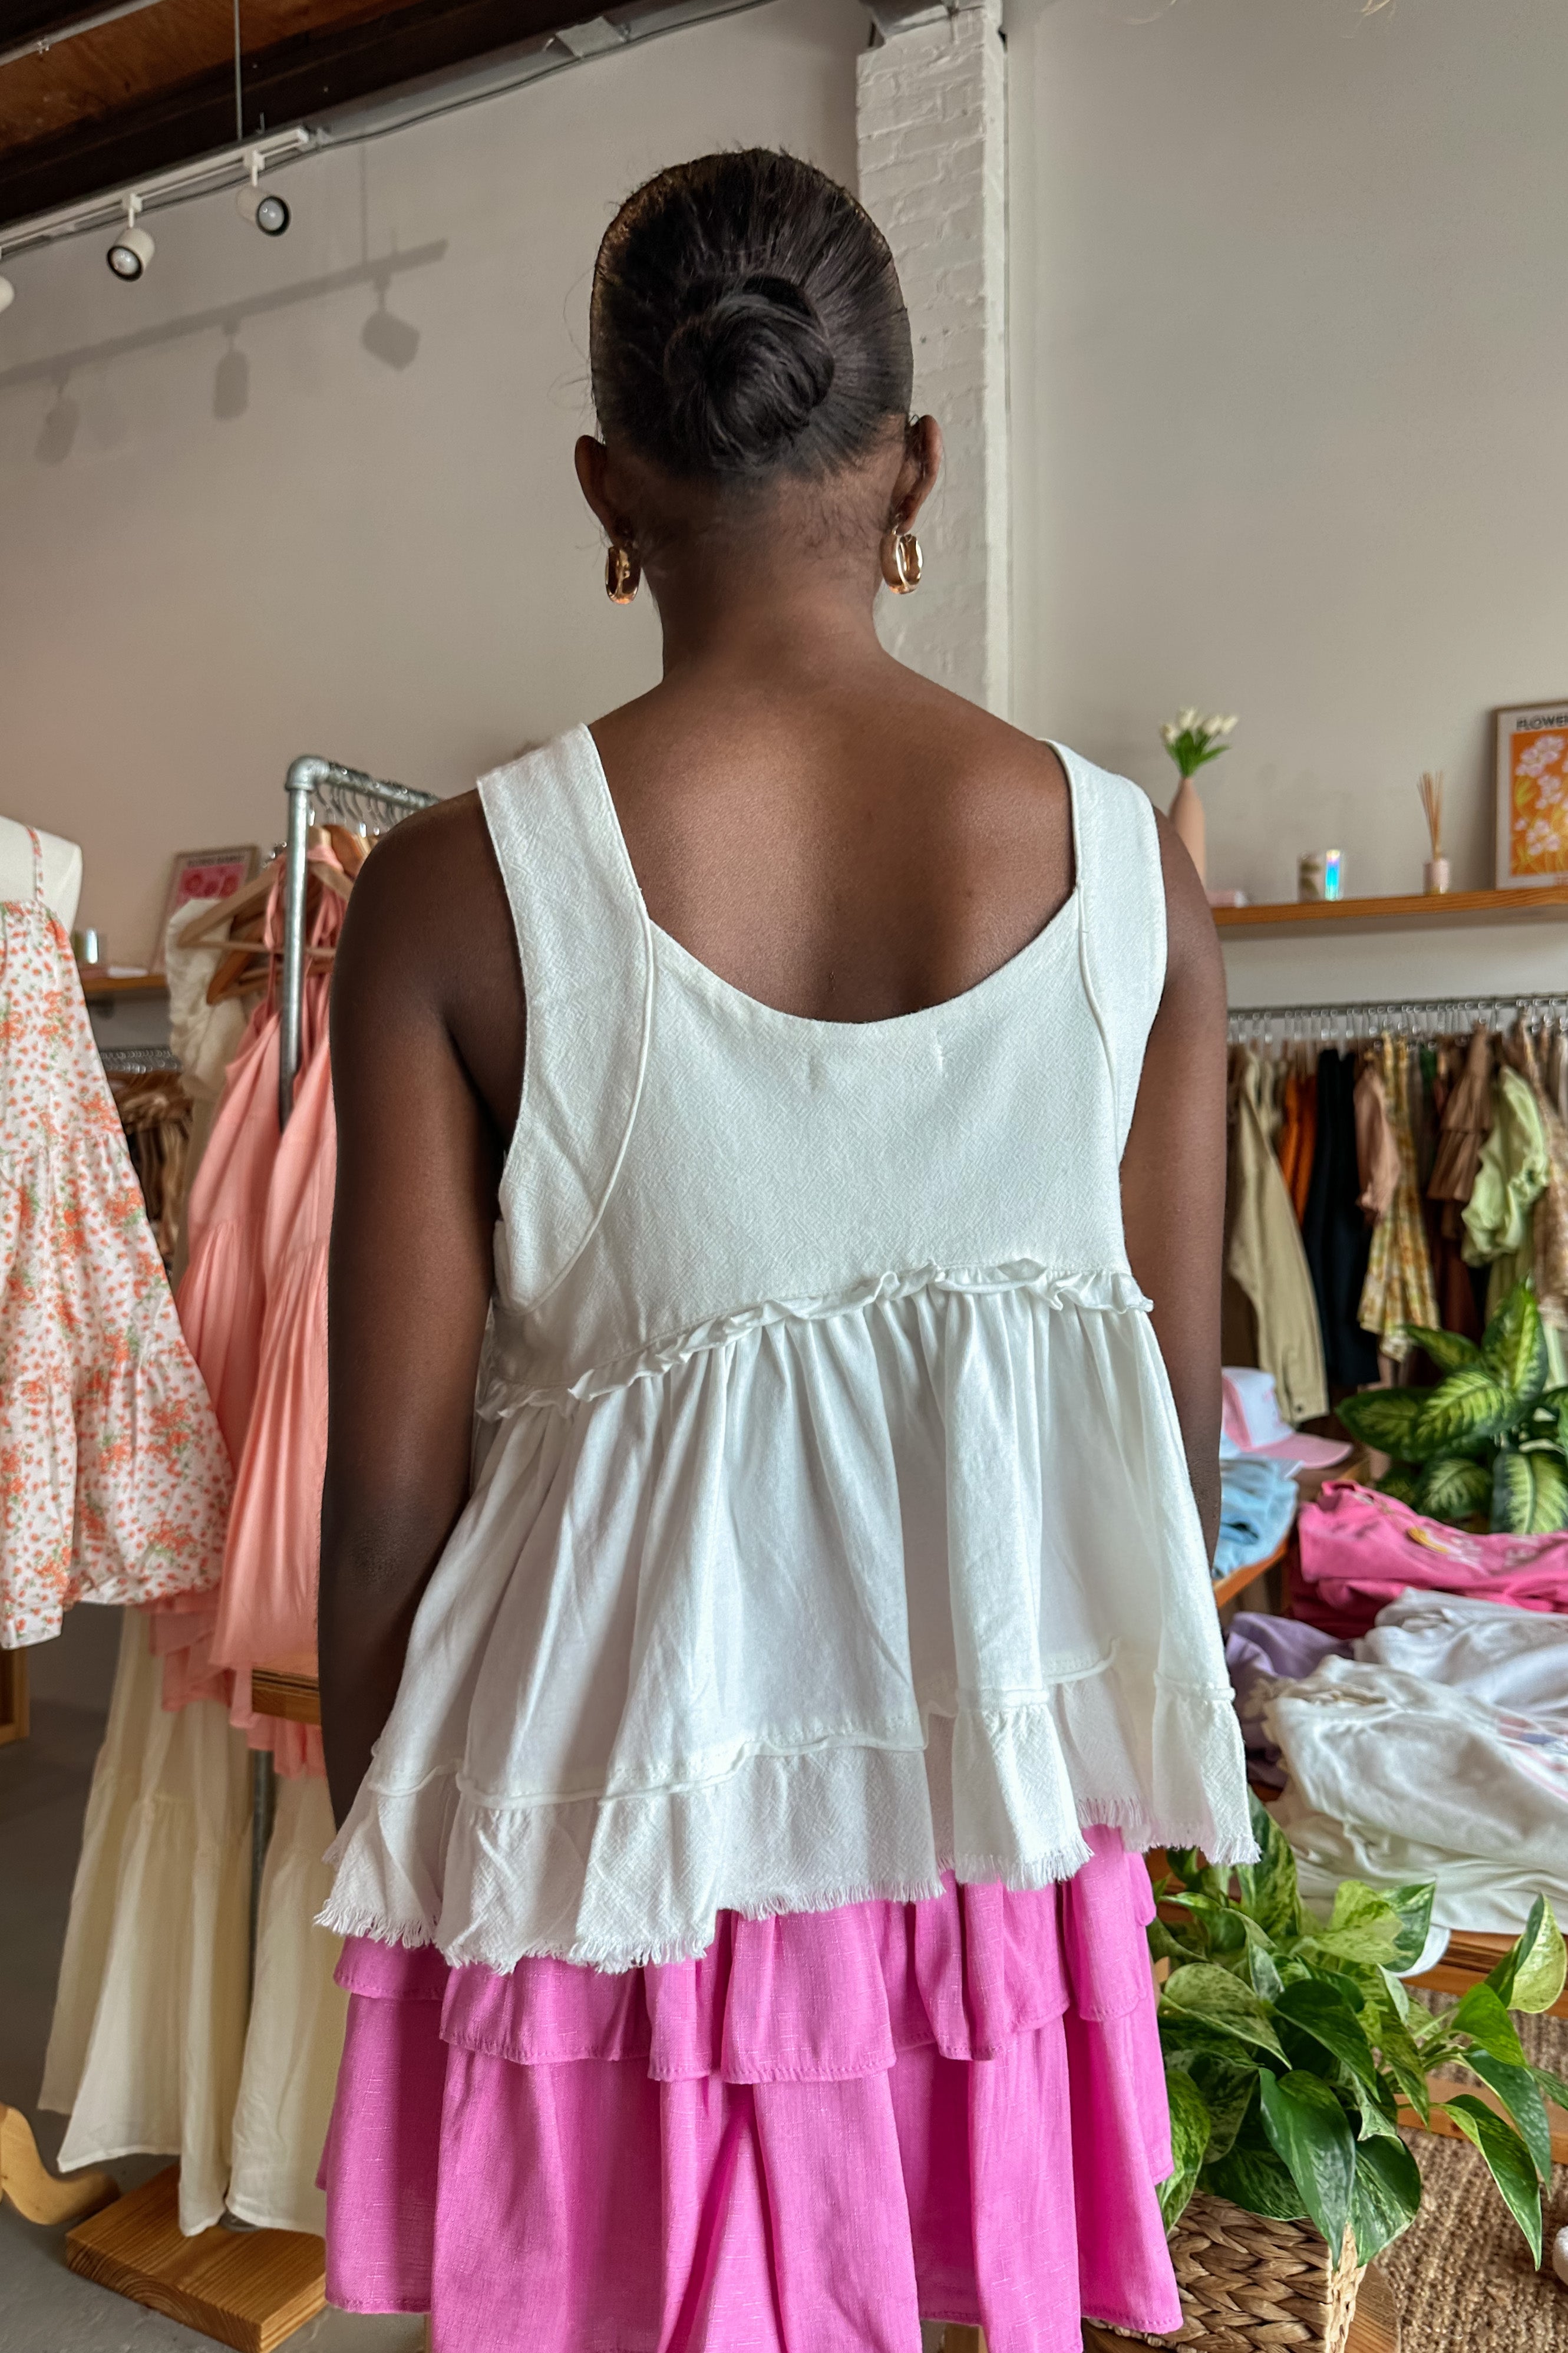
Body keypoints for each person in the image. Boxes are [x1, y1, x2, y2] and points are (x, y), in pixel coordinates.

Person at [316, 147, 1251, 2353]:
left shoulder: (455, 893)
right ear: (916, 464)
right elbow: (1168, 1427)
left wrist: (405, 1869)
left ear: (603, 485)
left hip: (607, 1852)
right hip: (983, 1855)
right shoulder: (1136, 879)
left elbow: (387, 1503)